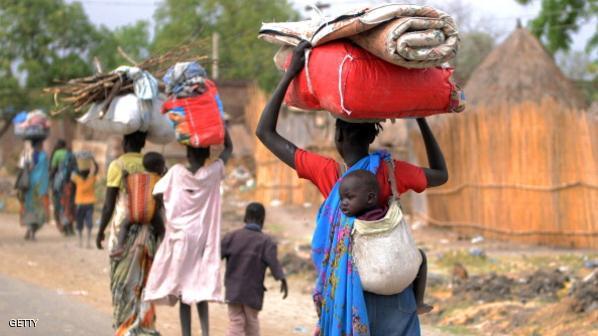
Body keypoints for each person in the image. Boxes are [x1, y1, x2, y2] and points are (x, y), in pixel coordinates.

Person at [256, 41, 448, 336]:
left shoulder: (330, 174)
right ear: (373, 133)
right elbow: (441, 174)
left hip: (351, 292)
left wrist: (290, 73)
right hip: (396, 289)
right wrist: (421, 118)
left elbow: (265, 132)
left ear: (338, 135)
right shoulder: (392, 171)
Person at [143, 130, 233, 336]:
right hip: (202, 238)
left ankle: (186, 334)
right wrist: (221, 125)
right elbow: (229, 149)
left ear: (188, 154)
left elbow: (157, 192)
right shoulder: (212, 173)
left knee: (184, 289)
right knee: (198, 285)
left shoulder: (176, 172)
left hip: (180, 237)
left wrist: (168, 214)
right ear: (207, 154)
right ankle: (205, 332)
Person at [96, 131, 162, 336]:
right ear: (143, 143)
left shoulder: (118, 165)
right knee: (143, 282)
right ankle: (144, 327)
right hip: (149, 232)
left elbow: (108, 205)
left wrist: (100, 231)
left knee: (122, 282)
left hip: (123, 231)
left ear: (125, 142)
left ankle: (124, 328)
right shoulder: (155, 164)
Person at [339, 170, 433, 315]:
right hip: (405, 274)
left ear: (370, 198)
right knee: (422, 256)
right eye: (342, 199)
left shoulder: (354, 224)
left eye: (349, 198)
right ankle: (419, 302)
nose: (343, 203)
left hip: (370, 280)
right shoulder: (390, 212)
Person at [221, 202, 288, 336]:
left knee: (235, 322)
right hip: (253, 292)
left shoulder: (232, 237)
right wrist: (282, 279)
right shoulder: (266, 242)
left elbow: (214, 256)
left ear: (245, 218)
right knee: (252, 323)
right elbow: (274, 263)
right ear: (262, 220)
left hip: (233, 290)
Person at [110, 152, 166, 259]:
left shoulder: (135, 177)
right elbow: (160, 196)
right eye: (162, 166)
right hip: (152, 215)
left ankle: (120, 247)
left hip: (134, 214)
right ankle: (166, 249)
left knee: (124, 226)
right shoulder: (159, 179)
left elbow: (128, 189)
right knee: (162, 230)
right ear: (158, 167)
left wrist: (125, 177)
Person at [16, 139, 50, 241]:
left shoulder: (28, 155)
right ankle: (32, 232)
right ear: (40, 144)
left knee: (30, 208)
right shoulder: (44, 156)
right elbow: (46, 170)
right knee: (38, 210)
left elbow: (21, 169)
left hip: (29, 186)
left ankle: (29, 230)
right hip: (39, 187)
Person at [71, 154, 99, 248]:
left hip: (79, 204)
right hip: (89, 204)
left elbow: (72, 173)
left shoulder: (77, 179)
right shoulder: (91, 179)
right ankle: (88, 242)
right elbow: (96, 170)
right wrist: (93, 160)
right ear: (88, 172)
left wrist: (76, 162)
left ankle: (80, 242)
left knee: (79, 223)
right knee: (89, 223)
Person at [50, 139, 76, 236]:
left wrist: (52, 183)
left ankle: (64, 227)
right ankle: (70, 227)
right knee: (70, 204)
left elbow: (53, 169)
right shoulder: (71, 154)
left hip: (60, 185)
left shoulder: (56, 154)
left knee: (61, 205)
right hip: (71, 184)